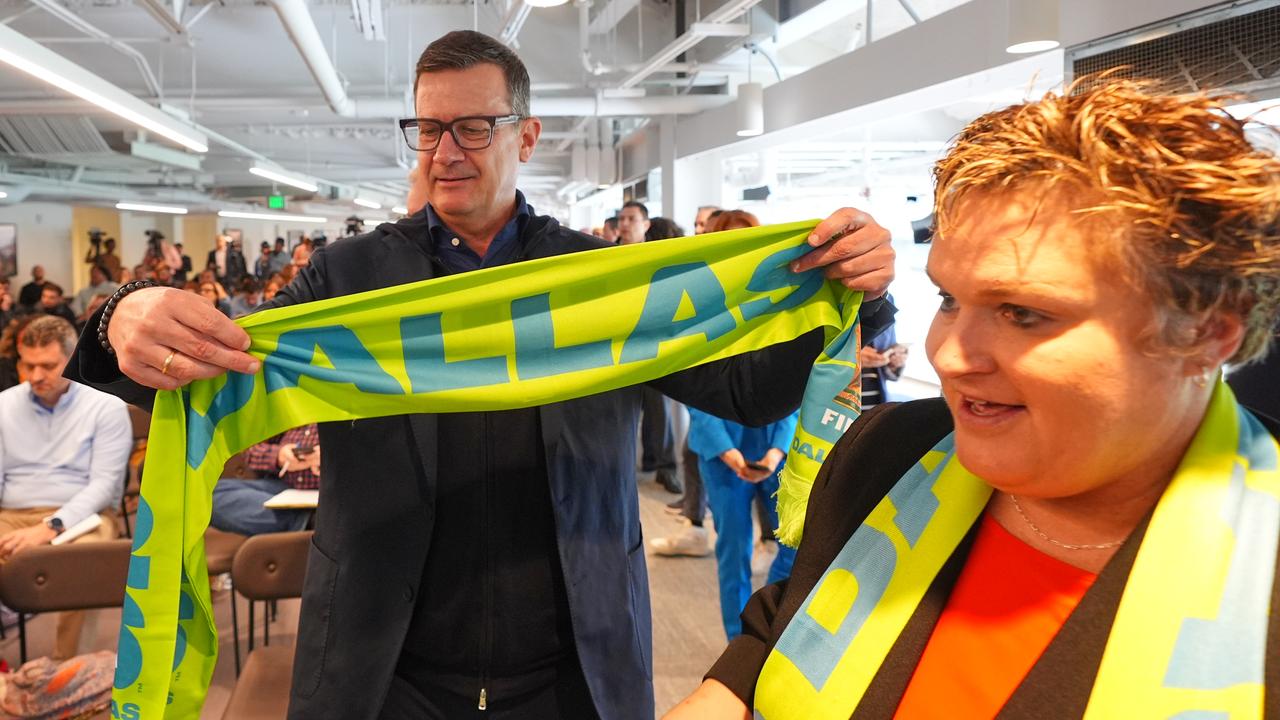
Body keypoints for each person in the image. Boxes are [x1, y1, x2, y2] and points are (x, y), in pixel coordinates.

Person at [68, 31, 895, 720]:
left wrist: (838, 277)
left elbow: (748, 391)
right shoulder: (349, 278)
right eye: (427, 130)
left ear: (526, 137)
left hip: (574, 658)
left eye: (473, 128)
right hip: (383, 662)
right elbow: (211, 368)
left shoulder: (602, 280)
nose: (444, 153)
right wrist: (120, 316)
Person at [666, 80, 1280, 719]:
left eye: (1023, 313)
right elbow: (802, 607)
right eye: (948, 300)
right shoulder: (888, 450)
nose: (951, 355)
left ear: (1206, 330)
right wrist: (727, 687)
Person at [0, 316, 130, 659]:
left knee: (79, 565)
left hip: (83, 516)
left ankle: (67, 668)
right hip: (12, 513)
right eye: (27, 365)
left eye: (47, 365)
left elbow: (104, 486)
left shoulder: (106, 407)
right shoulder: (4, 405)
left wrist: (50, 527)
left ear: (70, 361)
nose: (35, 376)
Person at [688, 405, 798, 641]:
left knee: (795, 547)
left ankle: (769, 624)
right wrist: (726, 451)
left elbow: (796, 389)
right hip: (721, 453)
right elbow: (696, 389)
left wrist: (777, 451)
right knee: (734, 552)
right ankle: (739, 645)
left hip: (776, 450)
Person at [210, 424, 318, 536]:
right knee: (210, 495)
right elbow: (251, 449)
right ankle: (307, 520)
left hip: (326, 493)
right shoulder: (292, 412)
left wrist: (331, 458)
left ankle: (309, 520)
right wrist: (278, 456)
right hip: (282, 486)